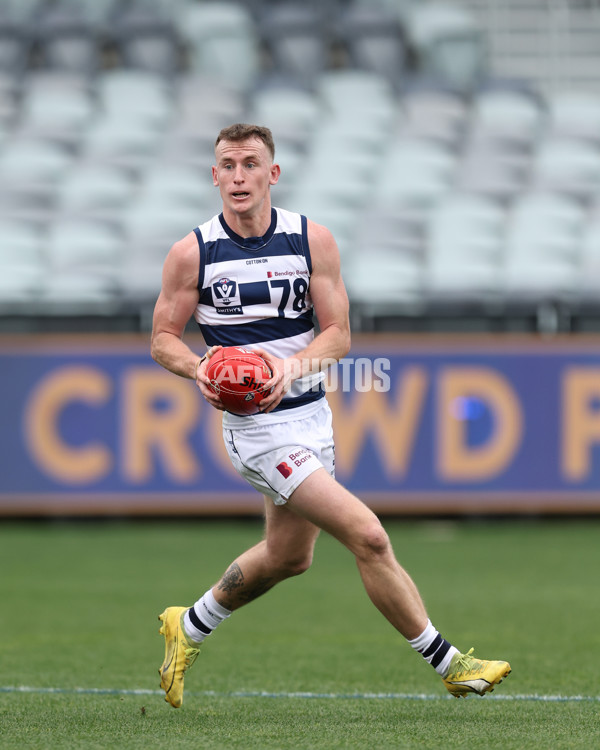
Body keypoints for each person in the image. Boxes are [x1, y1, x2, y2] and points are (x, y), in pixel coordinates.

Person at [151, 123, 511, 708]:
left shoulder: (310, 239)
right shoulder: (192, 252)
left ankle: (186, 626)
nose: (238, 176)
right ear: (214, 175)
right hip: (256, 432)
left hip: (310, 414)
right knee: (368, 536)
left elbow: (338, 335)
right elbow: (163, 339)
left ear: (273, 173)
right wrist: (199, 370)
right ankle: (451, 663)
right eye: (227, 165)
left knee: (289, 557)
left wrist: (288, 371)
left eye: (250, 164)